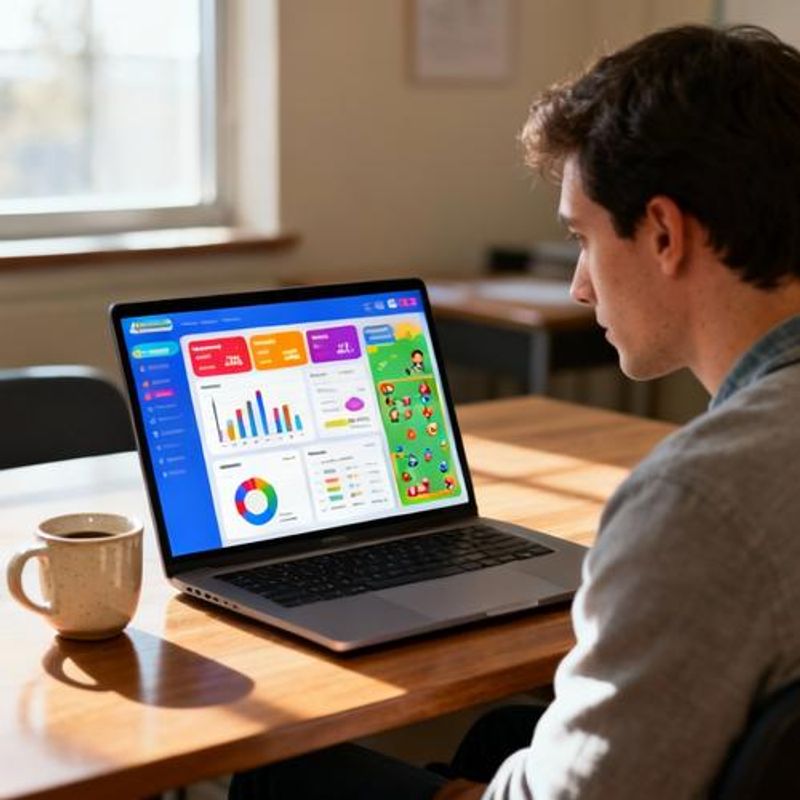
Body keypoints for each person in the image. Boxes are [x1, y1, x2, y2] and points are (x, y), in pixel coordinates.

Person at [229, 23, 800, 800]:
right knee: (502, 731)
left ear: (664, 232)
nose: (579, 286)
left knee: (286, 775)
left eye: (583, 239)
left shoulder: (697, 501)